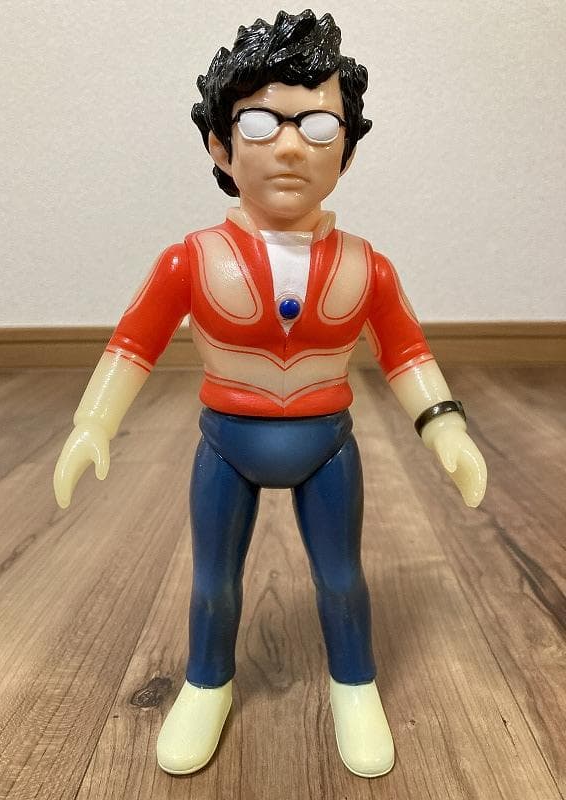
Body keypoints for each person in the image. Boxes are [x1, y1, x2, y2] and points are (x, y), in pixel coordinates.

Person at [54, 10, 487, 779]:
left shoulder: (368, 267)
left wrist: (444, 427)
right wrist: (93, 423)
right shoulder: (192, 260)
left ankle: (355, 684)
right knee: (214, 582)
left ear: (347, 149)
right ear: (220, 145)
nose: (290, 146)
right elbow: (133, 344)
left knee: (341, 577)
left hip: (327, 447)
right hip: (228, 444)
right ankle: (206, 682)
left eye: (318, 127)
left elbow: (407, 352)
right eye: (261, 122)